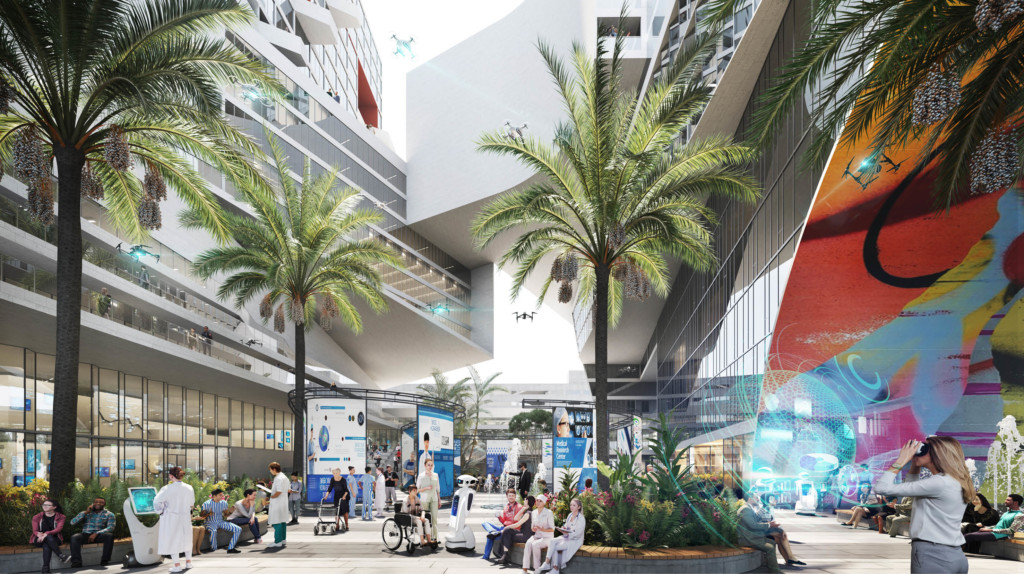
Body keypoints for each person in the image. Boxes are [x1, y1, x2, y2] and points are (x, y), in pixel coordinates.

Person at [874, 437, 975, 574]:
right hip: (954, 555)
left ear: (937, 454)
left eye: (925, 449)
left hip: (933, 555)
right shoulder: (952, 480)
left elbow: (881, 488)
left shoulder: (938, 483)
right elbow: (911, 488)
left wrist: (901, 461)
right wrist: (916, 463)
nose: (918, 452)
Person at [154, 466, 196, 573]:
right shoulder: (189, 487)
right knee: (186, 538)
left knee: (173, 540)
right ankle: (188, 562)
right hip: (185, 516)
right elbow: (192, 504)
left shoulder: (167, 489)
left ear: (171, 476)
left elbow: (156, 502)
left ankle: (177, 565)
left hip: (171, 518)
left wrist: (161, 511)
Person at [735, 487, 781, 572]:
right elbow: (753, 525)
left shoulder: (748, 508)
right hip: (747, 539)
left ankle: (769, 565)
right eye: (756, 498)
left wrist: (770, 524)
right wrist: (769, 525)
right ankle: (774, 571)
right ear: (750, 499)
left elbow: (755, 520)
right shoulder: (745, 509)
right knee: (770, 547)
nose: (758, 499)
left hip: (751, 536)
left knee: (773, 542)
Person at [754, 492, 804, 566]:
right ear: (769, 500)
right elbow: (769, 525)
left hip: (765, 531)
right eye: (774, 499)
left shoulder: (769, 509)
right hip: (761, 533)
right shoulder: (765, 511)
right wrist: (781, 530)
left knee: (781, 538)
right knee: (781, 535)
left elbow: (772, 524)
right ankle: (790, 557)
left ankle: (788, 559)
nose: (776, 501)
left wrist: (781, 529)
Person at [538, 497, 586, 573]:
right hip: (567, 537)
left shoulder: (581, 518)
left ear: (579, 507)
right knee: (552, 541)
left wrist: (567, 533)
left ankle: (555, 569)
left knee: (555, 547)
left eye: (574, 505)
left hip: (576, 540)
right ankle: (547, 563)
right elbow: (567, 526)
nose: (571, 507)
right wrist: (563, 528)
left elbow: (578, 533)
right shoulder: (570, 515)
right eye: (571, 505)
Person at [69, 496, 116, 567]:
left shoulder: (109, 514)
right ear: (93, 503)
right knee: (74, 537)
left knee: (109, 536)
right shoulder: (85, 513)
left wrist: (97, 533)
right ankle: (76, 562)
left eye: (101, 502)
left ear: (104, 504)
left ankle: (105, 560)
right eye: (96, 502)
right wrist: (86, 512)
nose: (98, 503)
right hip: (85, 535)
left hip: (99, 535)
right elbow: (72, 522)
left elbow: (111, 527)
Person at [481, 488, 522, 560]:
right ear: (507, 497)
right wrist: (499, 517)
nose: (511, 497)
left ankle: (486, 556)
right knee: (484, 523)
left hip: (510, 530)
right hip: (503, 527)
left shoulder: (519, 507)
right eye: (509, 496)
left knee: (490, 536)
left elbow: (517, 522)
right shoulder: (506, 507)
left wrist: (506, 527)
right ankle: (493, 532)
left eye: (513, 495)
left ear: (515, 496)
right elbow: (504, 521)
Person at [30, 498, 69, 573]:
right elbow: (35, 531)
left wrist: (46, 534)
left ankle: (45, 569)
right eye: (44, 505)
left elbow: (58, 529)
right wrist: (39, 535)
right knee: (47, 540)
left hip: (55, 539)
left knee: (47, 545)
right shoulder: (37, 517)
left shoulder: (61, 517)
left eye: (47, 505)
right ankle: (60, 555)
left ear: (54, 507)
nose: (44, 506)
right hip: (39, 539)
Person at [494, 496, 535, 564]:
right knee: (507, 532)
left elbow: (517, 524)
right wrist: (522, 509)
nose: (524, 501)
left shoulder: (528, 513)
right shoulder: (527, 511)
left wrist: (506, 527)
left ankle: (504, 555)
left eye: (525, 500)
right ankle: (504, 555)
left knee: (506, 534)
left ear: (527, 501)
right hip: (522, 533)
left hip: (526, 536)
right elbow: (515, 518)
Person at [200, 488, 241, 553]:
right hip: (209, 522)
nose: (222, 496)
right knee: (213, 531)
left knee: (238, 529)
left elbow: (225, 515)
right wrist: (208, 514)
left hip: (220, 522)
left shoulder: (224, 503)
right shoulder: (206, 504)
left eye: (222, 494)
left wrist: (230, 512)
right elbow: (202, 516)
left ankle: (231, 548)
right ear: (214, 496)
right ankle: (214, 549)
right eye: (220, 495)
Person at [522, 494, 555, 574]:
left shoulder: (549, 512)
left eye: (540, 501)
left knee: (535, 544)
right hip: (537, 535)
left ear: (544, 503)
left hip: (547, 537)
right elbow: (532, 527)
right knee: (528, 543)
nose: (538, 502)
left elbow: (552, 529)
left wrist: (543, 529)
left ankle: (537, 568)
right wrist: (533, 529)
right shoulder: (534, 512)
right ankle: (524, 569)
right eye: (537, 500)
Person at [267, 461, 290, 548]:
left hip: (278, 501)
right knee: (282, 521)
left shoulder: (278, 478)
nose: (270, 472)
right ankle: (283, 540)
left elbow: (279, 491)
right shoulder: (285, 477)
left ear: (274, 469)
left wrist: (272, 496)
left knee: (276, 521)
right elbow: (288, 490)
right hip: (283, 501)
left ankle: (277, 541)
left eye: (270, 470)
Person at [418, 458, 441, 542]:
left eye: (431, 465)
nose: (430, 467)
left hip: (434, 499)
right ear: (425, 465)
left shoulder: (436, 475)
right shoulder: (421, 476)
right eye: (428, 465)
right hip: (424, 500)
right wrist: (425, 488)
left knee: (434, 519)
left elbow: (438, 489)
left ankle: (435, 537)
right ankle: (425, 537)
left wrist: (439, 500)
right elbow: (417, 489)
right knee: (425, 519)